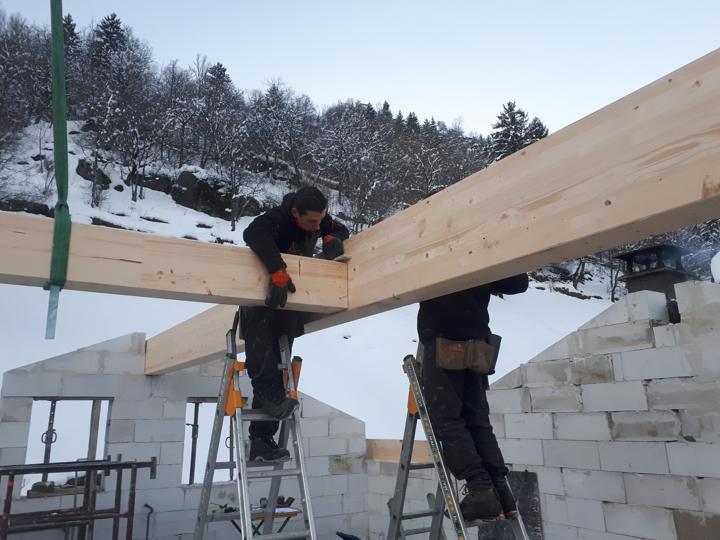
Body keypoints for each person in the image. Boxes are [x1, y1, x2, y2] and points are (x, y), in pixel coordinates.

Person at [242, 186, 349, 462]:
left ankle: (262, 441)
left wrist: (331, 236)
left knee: (279, 373)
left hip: (289, 307)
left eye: (320, 219)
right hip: (260, 306)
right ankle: (260, 439)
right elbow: (252, 234)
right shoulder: (276, 219)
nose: (317, 224)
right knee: (264, 368)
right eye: (312, 221)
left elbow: (341, 228)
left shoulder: (318, 218)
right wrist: (276, 270)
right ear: (294, 212)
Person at [417, 273, 529, 521]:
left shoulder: (436, 246)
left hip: (445, 343)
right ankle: (500, 491)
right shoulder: (481, 244)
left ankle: (480, 490)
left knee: (447, 420)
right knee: (476, 419)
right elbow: (518, 283)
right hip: (478, 344)